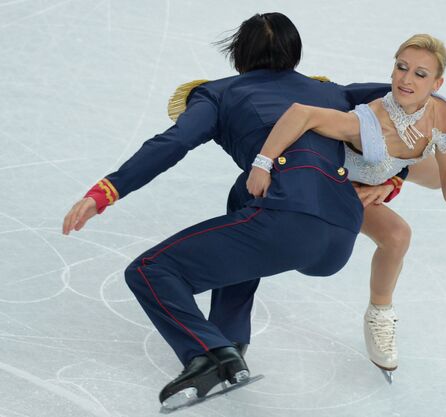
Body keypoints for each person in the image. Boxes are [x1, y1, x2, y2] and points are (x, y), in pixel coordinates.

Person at [61, 12, 407, 408]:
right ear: (295, 54)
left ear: (238, 56)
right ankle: (230, 337)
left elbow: (172, 144)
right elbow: (416, 111)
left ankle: (208, 354)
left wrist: (105, 192)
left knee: (150, 271)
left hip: (286, 222)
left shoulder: (220, 93)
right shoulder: (336, 94)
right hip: (341, 234)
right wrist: (393, 179)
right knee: (243, 194)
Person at [245, 33, 446, 377]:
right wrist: (262, 164)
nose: (407, 79)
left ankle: (379, 310)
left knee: (439, 174)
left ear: (437, 83)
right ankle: (378, 312)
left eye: (420, 74)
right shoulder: (368, 122)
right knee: (397, 235)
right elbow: (300, 114)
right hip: (337, 182)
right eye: (401, 68)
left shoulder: (442, 114)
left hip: (383, 171)